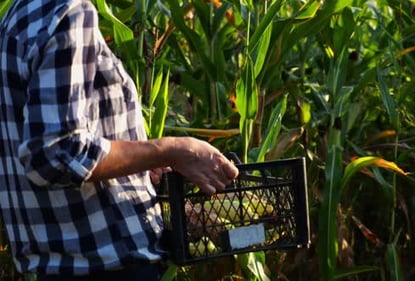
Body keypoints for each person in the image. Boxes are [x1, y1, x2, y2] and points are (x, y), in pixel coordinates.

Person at [0, 0, 239, 280]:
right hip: (107, 265)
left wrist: (138, 167)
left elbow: (50, 135)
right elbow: (57, 153)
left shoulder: (20, 13)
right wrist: (171, 150)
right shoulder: (69, 12)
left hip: (64, 263)